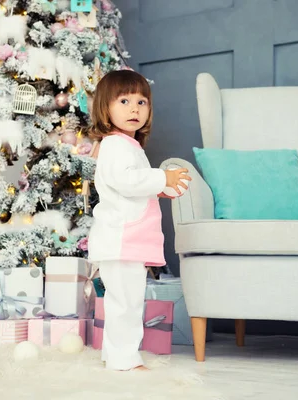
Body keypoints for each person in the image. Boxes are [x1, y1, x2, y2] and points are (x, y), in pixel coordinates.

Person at [87, 70, 191, 371]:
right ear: (105, 108)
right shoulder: (115, 145)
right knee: (126, 303)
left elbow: (129, 189)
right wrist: (161, 178)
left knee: (124, 301)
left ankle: (114, 354)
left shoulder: (127, 145)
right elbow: (125, 181)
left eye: (142, 101)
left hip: (126, 239)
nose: (134, 108)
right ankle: (124, 359)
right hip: (121, 240)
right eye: (124, 100)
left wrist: (158, 190)